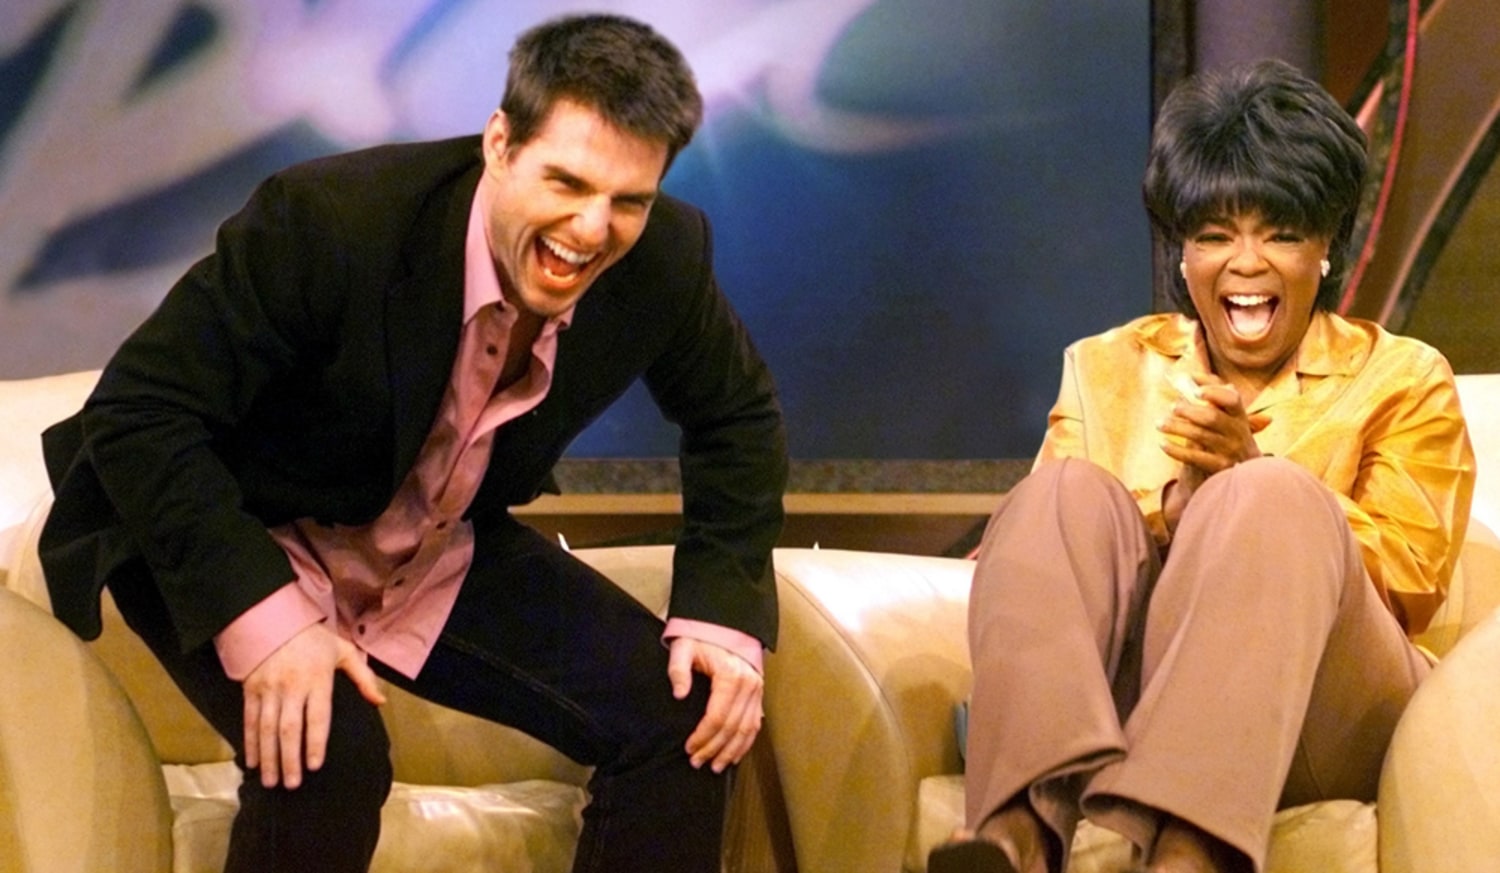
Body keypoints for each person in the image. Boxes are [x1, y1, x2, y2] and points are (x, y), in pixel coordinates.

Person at [37, 13, 787, 873]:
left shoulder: (665, 259)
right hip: (235, 517)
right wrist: (272, 624)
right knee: (326, 751)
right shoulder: (331, 219)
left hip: (427, 538)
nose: (591, 229)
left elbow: (737, 417)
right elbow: (139, 412)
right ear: (500, 144)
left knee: (687, 722)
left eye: (629, 201)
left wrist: (720, 611)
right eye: (567, 182)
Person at [930, 59, 1474, 873]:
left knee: (1267, 493)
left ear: (1326, 246)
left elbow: (1407, 579)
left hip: (1324, 713)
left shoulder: (1404, 377)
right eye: (1214, 235)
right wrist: (1172, 507)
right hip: (1129, 709)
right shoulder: (1105, 367)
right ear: (1181, 256)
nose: (1245, 262)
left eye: (1280, 233)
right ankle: (1016, 831)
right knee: (1059, 496)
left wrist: (1242, 482)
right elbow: (1045, 582)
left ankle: (1192, 851)